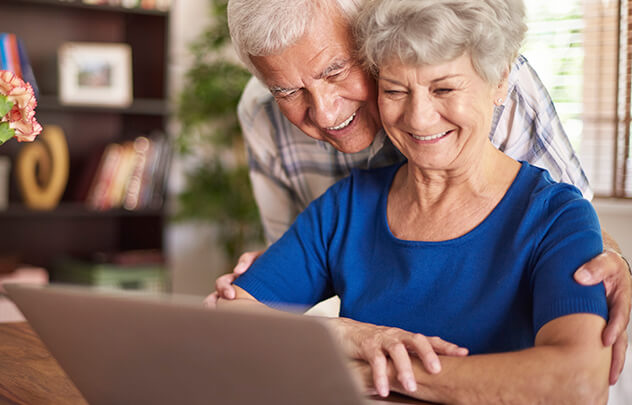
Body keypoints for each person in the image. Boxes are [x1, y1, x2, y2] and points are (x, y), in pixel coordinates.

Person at [206, 0, 632, 385]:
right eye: (289, 91)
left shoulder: (491, 77)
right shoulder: (338, 205)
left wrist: (382, 374)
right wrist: (343, 336)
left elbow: (574, 375)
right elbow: (246, 315)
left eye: (335, 71)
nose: (325, 111)